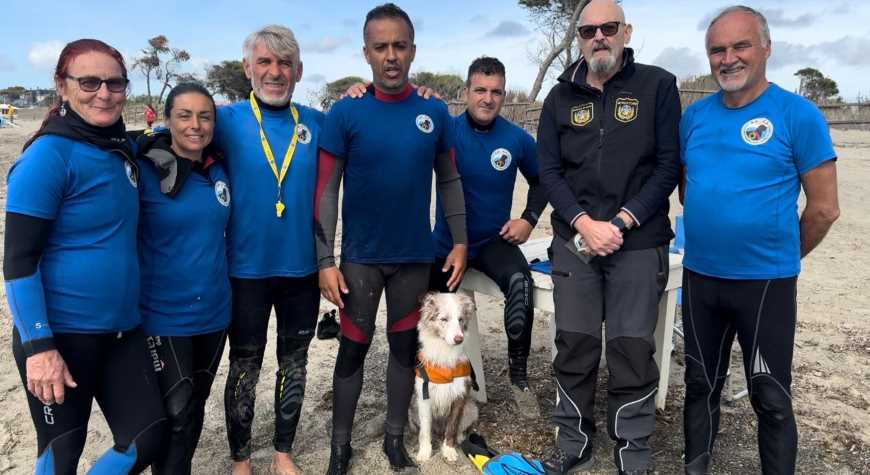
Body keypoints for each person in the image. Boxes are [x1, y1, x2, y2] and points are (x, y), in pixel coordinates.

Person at [679, 6, 839, 474]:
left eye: (739, 46)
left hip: (765, 285)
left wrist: (781, 254)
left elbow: (825, 208)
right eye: (717, 50)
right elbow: (690, 189)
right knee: (700, 385)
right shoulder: (694, 118)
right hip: (700, 278)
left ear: (766, 47)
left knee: (769, 395)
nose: (727, 59)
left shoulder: (798, 115)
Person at [315, 4, 468, 473]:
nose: (391, 56)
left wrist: (459, 240)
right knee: (353, 347)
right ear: (366, 53)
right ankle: (340, 447)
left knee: (404, 351)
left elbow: (449, 180)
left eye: (399, 45)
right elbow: (326, 189)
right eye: (380, 47)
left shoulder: (433, 111)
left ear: (413, 49)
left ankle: (394, 439)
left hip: (413, 258)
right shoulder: (345, 112)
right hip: (360, 258)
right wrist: (325, 258)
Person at [4, 38, 166, 474]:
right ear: (62, 86)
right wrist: (39, 348)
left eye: (115, 83)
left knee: (147, 436)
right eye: (90, 82)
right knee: (61, 452)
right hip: (61, 335)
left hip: (122, 332)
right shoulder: (47, 157)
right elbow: (18, 261)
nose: (104, 93)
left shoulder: (117, 149)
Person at [537, 0, 682, 473]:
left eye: (608, 27)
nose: (598, 37)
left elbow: (667, 168)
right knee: (575, 344)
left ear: (626, 31)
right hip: (575, 242)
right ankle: (573, 441)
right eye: (588, 30)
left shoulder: (657, 86)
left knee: (632, 348)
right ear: (578, 38)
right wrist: (582, 223)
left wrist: (620, 222)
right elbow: (549, 172)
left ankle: (632, 449)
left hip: (637, 241)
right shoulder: (559, 97)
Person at [212, 25, 323, 475]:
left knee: (293, 365)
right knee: (244, 368)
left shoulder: (317, 122)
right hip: (244, 272)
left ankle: (282, 453)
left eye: (283, 63)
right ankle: (241, 458)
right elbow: (173, 136)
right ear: (247, 68)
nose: (274, 72)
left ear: (299, 70)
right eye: (265, 62)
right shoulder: (224, 121)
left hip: (302, 271)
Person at [427, 56, 547, 417]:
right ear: (466, 92)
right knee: (426, 312)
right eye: (480, 89)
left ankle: (519, 378)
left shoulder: (517, 139)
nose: (487, 98)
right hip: (447, 244)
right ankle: (433, 381)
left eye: (495, 91)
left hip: (492, 241)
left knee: (521, 284)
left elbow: (545, 181)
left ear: (504, 95)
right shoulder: (445, 131)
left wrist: (527, 219)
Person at [136, 83, 230, 474]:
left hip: (214, 312)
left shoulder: (218, 168)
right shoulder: (143, 168)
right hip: (163, 315)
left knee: (194, 409)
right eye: (185, 115)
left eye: (205, 116)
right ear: (166, 118)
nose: (196, 125)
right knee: (175, 412)